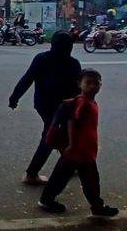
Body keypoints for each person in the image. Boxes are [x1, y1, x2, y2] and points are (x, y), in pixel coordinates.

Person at [38, 69, 119, 217]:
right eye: (88, 82)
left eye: (97, 83)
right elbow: (72, 122)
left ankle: (47, 200)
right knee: (89, 180)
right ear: (79, 84)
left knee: (65, 177)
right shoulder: (84, 103)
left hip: (82, 150)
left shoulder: (91, 102)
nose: (93, 86)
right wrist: (72, 144)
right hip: (78, 150)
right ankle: (97, 207)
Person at [9, 31, 81, 185]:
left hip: (43, 104)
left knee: (58, 133)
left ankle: (70, 162)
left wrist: (15, 97)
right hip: (62, 107)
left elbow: (27, 79)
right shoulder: (73, 63)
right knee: (50, 137)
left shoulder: (42, 59)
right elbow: (78, 90)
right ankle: (31, 173)